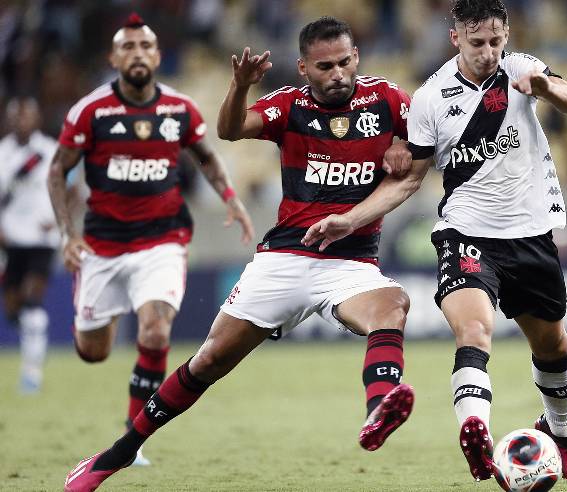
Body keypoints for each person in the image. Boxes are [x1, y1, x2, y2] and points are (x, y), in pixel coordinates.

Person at [64, 16, 415, 491]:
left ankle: (379, 409)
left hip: (351, 262)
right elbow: (231, 130)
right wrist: (239, 86)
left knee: (392, 305)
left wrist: (402, 142)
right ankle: (115, 456)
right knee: (207, 362)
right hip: (287, 256)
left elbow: (431, 136)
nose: (338, 74)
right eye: (325, 66)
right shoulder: (289, 105)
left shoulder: (388, 98)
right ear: (304, 67)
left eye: (344, 62)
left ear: (356, 58)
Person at [301, 0, 567, 487]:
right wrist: (348, 220)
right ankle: (474, 430)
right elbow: (408, 181)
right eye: (477, 42)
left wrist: (544, 86)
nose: (489, 52)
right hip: (466, 233)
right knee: (475, 332)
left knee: (552, 343)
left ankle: (562, 434)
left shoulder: (522, 68)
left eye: (496, 41)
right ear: (456, 37)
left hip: (530, 235)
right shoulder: (432, 97)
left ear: (506, 35)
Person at [49, 13, 254, 468]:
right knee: (92, 351)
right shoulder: (91, 111)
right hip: (102, 245)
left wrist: (231, 198)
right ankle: (98, 315)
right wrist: (68, 233)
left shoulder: (178, 109)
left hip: (163, 240)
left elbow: (206, 156)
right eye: (128, 46)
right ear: (113, 57)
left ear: (158, 56)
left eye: (146, 46)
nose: (138, 53)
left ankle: (132, 437)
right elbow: (57, 171)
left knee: (156, 329)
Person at [0, 97, 59, 393]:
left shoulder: (49, 151)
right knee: (13, 309)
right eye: (17, 116)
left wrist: (59, 219)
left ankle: (31, 372)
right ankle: (33, 340)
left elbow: (70, 188)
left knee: (33, 301)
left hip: (41, 239)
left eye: (27, 116)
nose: (22, 121)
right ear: (10, 119)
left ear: (36, 119)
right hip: (10, 239)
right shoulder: (2, 153)